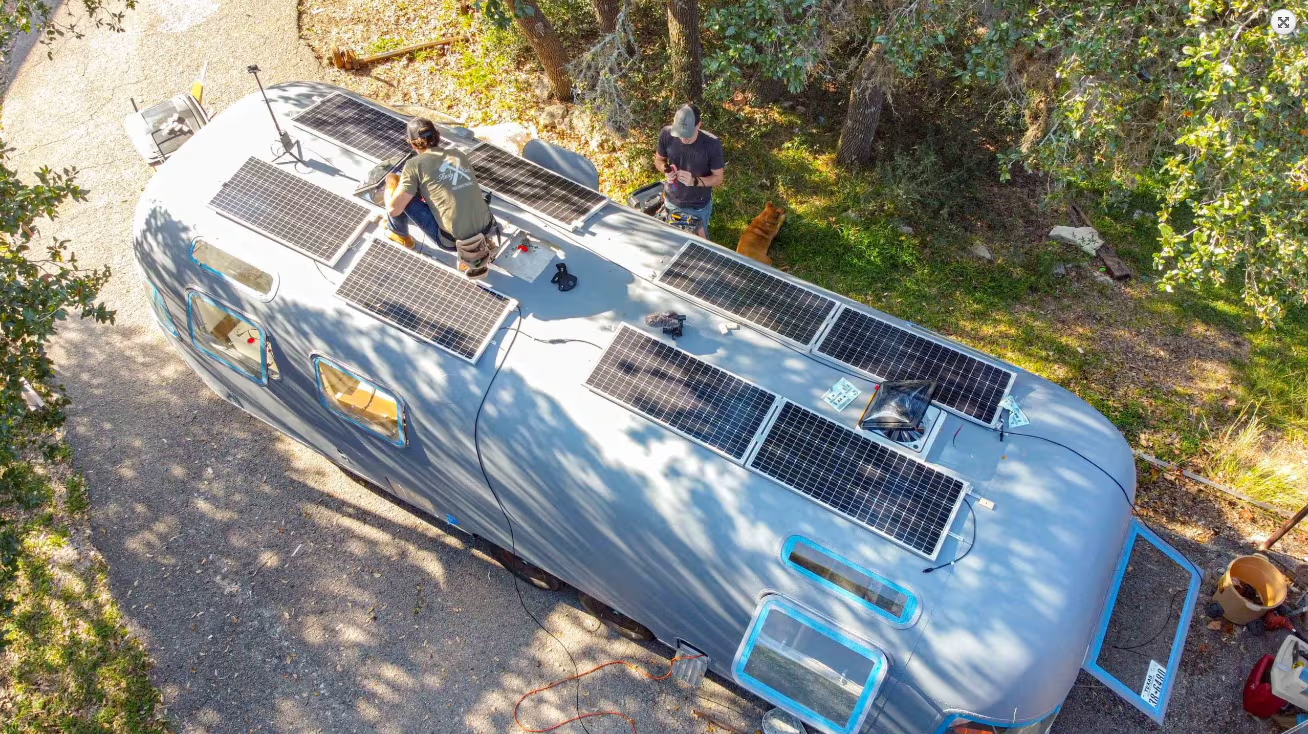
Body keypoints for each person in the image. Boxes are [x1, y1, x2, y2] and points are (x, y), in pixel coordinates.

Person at [385, 118, 496, 275]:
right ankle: (474, 248)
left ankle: (399, 234)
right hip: (486, 228)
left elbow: (393, 210)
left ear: (412, 143)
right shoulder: (458, 155)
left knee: (401, 196)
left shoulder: (414, 165)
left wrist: (390, 182)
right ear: (438, 136)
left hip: (451, 242)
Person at [653, 103, 725, 238]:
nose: (683, 138)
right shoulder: (667, 134)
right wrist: (665, 169)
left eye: (687, 134)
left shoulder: (712, 144)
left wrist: (694, 181)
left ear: (699, 125)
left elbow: (718, 178)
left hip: (698, 205)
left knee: (699, 246)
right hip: (671, 199)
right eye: (680, 134)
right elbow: (658, 160)